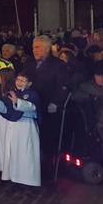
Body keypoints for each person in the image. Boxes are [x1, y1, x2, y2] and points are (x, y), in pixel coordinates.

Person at [0, 72, 41, 187]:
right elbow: (4, 108)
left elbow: (31, 107)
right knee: (12, 153)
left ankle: (27, 181)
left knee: (25, 153)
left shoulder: (33, 94)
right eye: (18, 79)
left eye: (23, 81)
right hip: (12, 127)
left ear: (29, 83)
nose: (19, 82)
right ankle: (12, 178)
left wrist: (18, 102)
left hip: (26, 128)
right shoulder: (11, 93)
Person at [23, 35, 68, 180]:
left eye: (37, 47)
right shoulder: (29, 63)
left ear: (47, 48)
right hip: (30, 106)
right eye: (33, 47)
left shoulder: (58, 65)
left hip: (48, 108)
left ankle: (47, 172)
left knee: (46, 141)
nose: (34, 50)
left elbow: (63, 87)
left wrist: (55, 102)